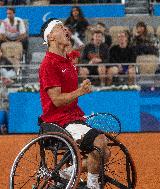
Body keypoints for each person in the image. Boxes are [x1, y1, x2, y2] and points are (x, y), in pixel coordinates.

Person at [39, 18, 110, 189]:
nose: (65, 30)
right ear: (51, 37)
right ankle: (93, 185)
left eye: (65, 27)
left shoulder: (66, 61)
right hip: (58, 121)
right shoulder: (48, 64)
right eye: (60, 27)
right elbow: (56, 100)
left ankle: (63, 174)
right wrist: (80, 91)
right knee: (99, 142)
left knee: (105, 153)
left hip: (73, 117)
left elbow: (73, 55)